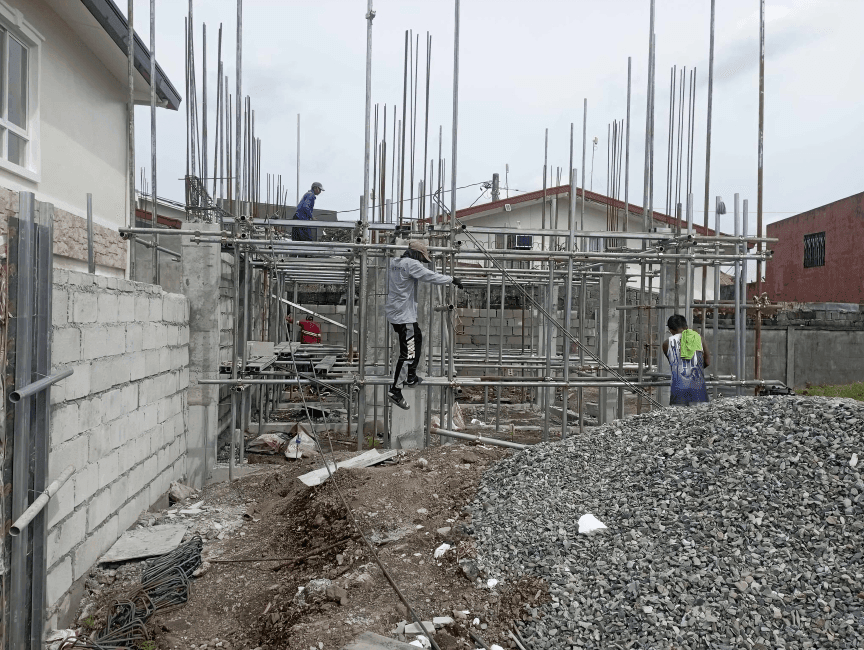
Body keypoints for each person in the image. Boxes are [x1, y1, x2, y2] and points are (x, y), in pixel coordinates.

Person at [385, 240, 463, 410]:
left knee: (417, 338)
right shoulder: (411, 264)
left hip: (396, 313)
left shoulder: (395, 263)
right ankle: (395, 390)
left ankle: (411, 376)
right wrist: (452, 279)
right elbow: (431, 276)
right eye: (422, 257)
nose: (422, 261)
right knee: (409, 352)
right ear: (417, 254)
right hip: (404, 315)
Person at [662, 314, 711, 406]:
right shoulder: (699, 339)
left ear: (671, 330)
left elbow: (673, 364)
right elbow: (707, 362)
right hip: (698, 390)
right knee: (700, 418)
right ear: (686, 327)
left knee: (678, 418)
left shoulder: (666, 343)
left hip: (678, 390)